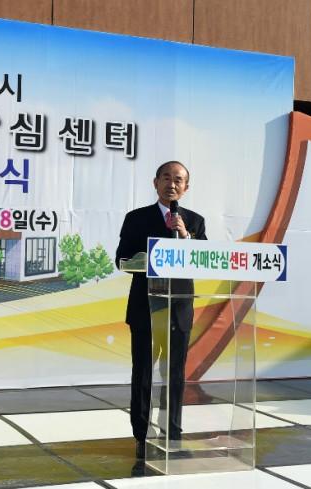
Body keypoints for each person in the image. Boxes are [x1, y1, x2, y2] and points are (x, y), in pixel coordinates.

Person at [115, 160, 207, 459]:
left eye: (178, 179)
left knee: (175, 374)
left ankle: (173, 432)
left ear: (186, 187)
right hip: (146, 307)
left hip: (179, 307)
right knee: (143, 372)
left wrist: (186, 237)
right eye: (166, 178)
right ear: (156, 183)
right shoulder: (136, 218)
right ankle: (141, 434)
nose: (172, 184)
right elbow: (122, 260)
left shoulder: (194, 221)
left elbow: (203, 260)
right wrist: (152, 256)